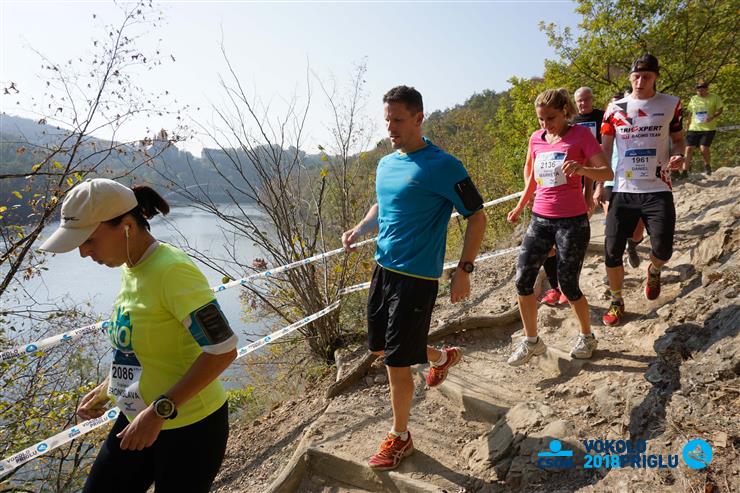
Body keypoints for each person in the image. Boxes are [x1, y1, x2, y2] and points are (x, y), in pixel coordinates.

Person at [39, 179, 238, 492]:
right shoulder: (131, 267)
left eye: (89, 240)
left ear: (127, 226)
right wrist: (108, 388)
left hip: (191, 429)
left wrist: (159, 411)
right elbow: (143, 347)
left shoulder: (172, 271)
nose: (83, 252)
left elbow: (223, 351)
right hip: (138, 417)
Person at [342, 85, 486, 471]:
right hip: (383, 271)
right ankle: (441, 357)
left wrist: (464, 269)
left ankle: (400, 436)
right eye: (387, 119)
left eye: (398, 120)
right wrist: (361, 228)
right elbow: (383, 203)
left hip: (417, 278)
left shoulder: (444, 166)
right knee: (382, 348)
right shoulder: (387, 163)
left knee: (396, 361)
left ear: (419, 118)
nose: (390, 127)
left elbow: (477, 216)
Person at [506, 88, 613, 366]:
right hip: (540, 219)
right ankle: (532, 341)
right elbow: (532, 177)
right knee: (522, 280)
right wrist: (520, 206)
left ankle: (587, 336)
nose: (546, 124)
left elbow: (607, 172)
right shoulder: (536, 138)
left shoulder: (581, 135)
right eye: (541, 119)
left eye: (551, 118)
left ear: (565, 111)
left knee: (568, 284)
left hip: (572, 221)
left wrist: (582, 169)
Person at [600, 54, 685, 326]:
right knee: (611, 251)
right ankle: (616, 300)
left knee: (663, 249)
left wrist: (680, 155)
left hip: (658, 187)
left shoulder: (671, 104)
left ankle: (654, 270)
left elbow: (678, 140)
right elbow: (604, 150)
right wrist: (600, 184)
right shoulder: (615, 108)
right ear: (629, 77)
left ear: (656, 77)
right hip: (623, 188)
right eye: (636, 76)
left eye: (646, 77)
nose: (640, 81)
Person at [594, 92, 645, 269]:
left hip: (636, 180)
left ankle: (632, 246)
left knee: (637, 233)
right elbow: (602, 156)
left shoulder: (639, 126)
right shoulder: (606, 128)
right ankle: (613, 267)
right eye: (615, 104)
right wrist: (599, 186)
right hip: (611, 180)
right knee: (613, 226)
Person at [683, 80, 724, 176]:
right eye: (698, 90)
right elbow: (690, 112)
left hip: (708, 128)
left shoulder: (714, 97)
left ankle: (707, 165)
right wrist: (687, 124)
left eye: (702, 90)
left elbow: (720, 109)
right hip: (694, 127)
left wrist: (713, 116)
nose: (700, 92)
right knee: (689, 149)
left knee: (703, 148)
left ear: (707, 89)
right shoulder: (693, 99)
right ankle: (684, 171)